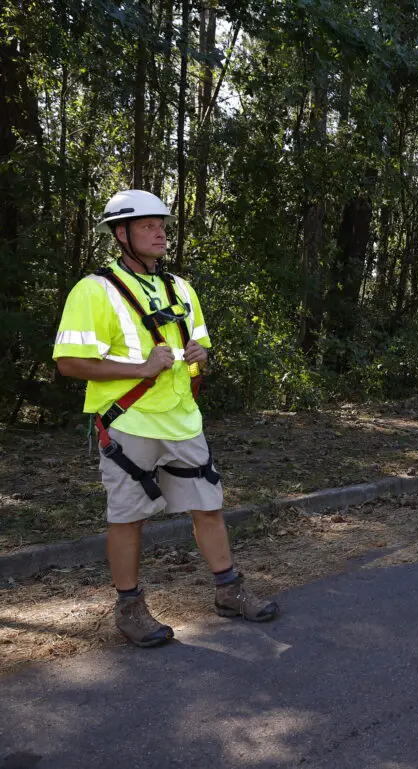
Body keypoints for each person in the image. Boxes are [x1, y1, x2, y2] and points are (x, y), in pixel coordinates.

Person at [53, 189, 279, 648]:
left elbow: (198, 358)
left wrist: (200, 357)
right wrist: (140, 369)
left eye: (162, 225)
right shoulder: (93, 290)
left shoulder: (180, 288)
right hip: (129, 425)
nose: (160, 232)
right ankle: (130, 609)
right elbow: (69, 362)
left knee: (209, 507)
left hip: (183, 421)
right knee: (128, 518)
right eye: (146, 226)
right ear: (121, 234)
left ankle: (229, 592)